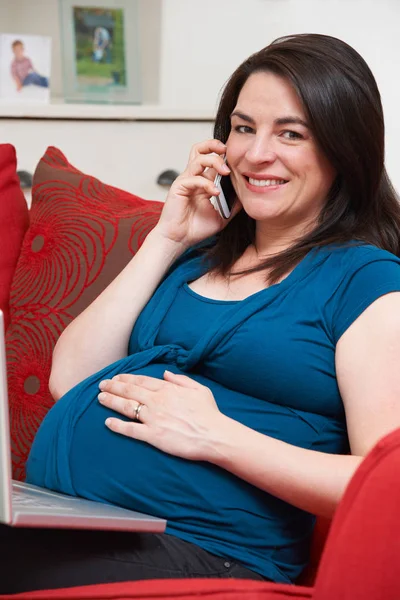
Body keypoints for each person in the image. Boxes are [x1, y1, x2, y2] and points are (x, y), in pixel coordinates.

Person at [2, 32, 400, 594]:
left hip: (213, 553)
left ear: (344, 149)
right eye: (243, 128)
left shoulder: (367, 281)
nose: (255, 154)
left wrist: (217, 436)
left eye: (291, 133)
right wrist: (167, 236)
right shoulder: (196, 259)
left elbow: (386, 481)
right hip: (90, 523)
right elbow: (71, 378)